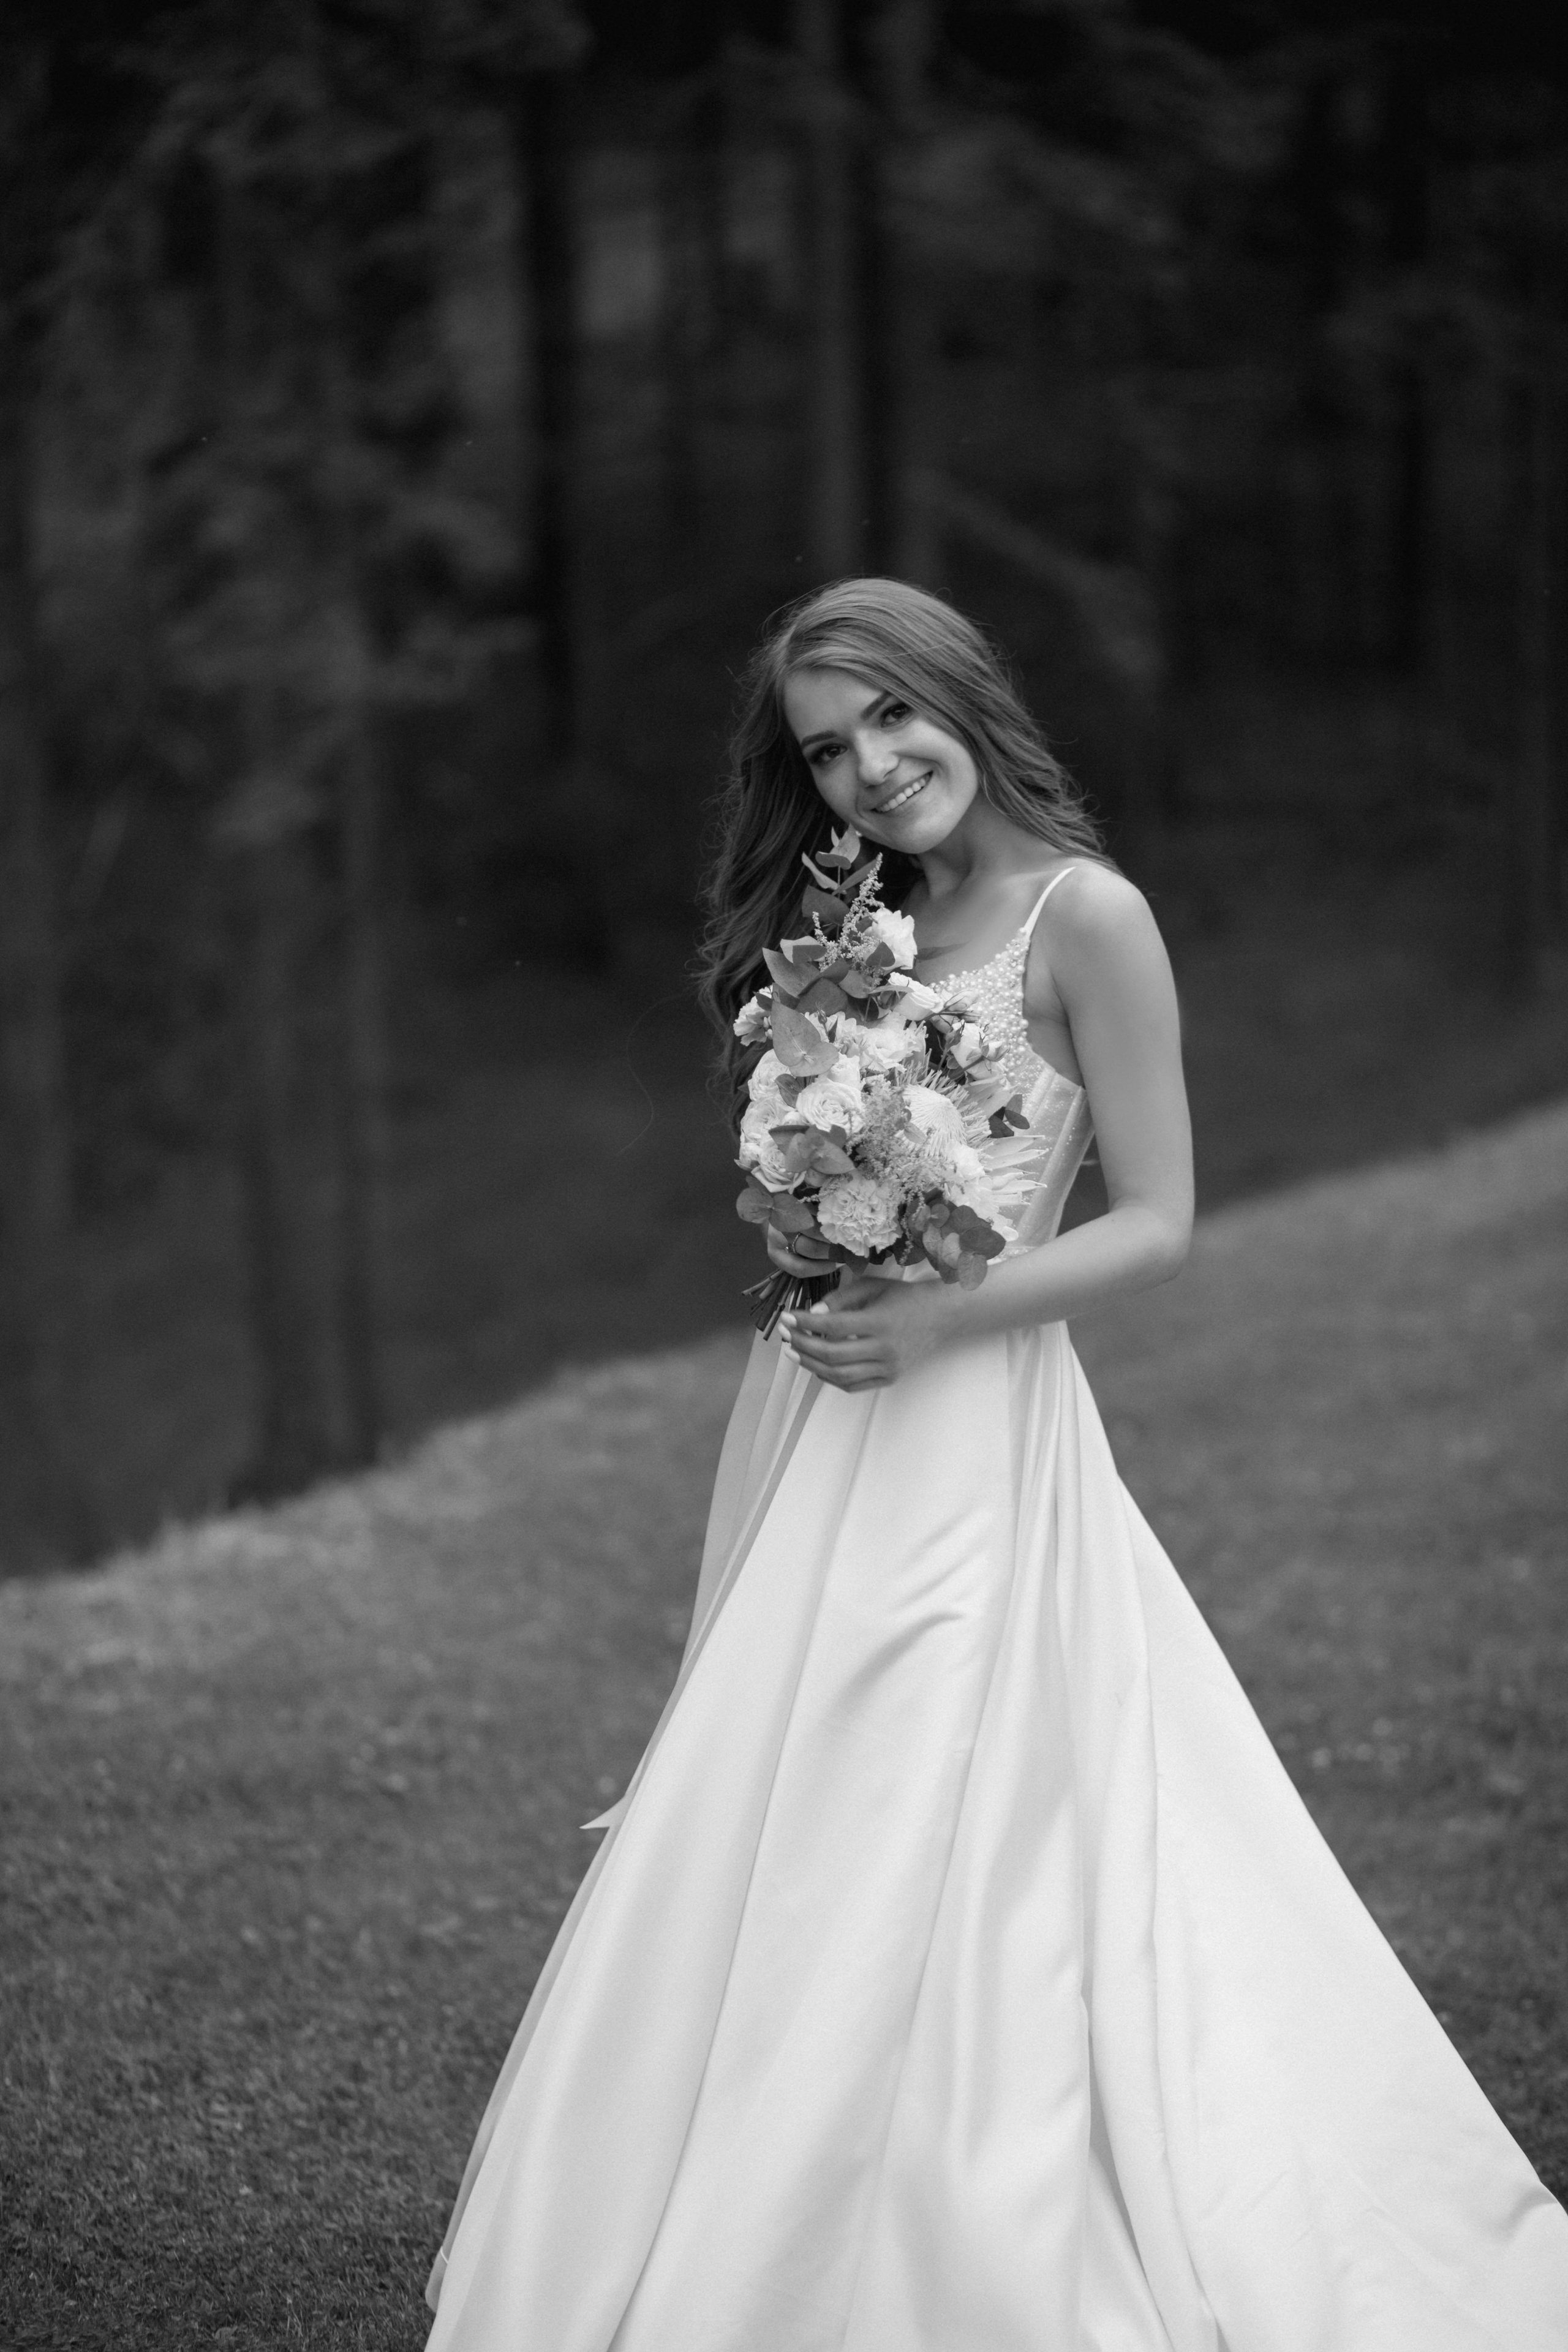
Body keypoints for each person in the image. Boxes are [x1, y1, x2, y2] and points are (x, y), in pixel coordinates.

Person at [423, 579, 1568, 2350]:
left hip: (977, 1422)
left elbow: (1166, 1224)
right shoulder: (858, 930)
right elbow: (820, 1169)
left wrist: (943, 1318)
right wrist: (819, 1242)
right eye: (828, 750)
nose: (872, 768)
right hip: (838, 1416)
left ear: (963, 696)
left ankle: (953, 2196)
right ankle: (754, 2185)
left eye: (892, 716)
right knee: (791, 1772)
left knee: (942, 1773)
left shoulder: (1087, 917)